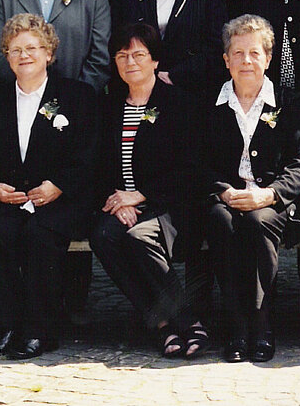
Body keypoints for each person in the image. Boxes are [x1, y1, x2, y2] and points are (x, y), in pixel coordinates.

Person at [0, 14, 97, 359]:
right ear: (6, 57)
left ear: (49, 53)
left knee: (39, 236)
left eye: (32, 48)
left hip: (62, 199)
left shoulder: (77, 96)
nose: (23, 55)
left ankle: (40, 330)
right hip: (12, 198)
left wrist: (58, 185)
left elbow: (90, 154)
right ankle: (10, 323)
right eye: (15, 50)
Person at [194, 14, 300, 363]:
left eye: (255, 53)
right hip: (225, 198)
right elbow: (197, 162)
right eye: (238, 53)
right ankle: (236, 326)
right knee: (221, 221)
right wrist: (224, 191)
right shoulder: (208, 104)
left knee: (259, 222)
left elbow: (299, 165)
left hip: (270, 200)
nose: (246, 61)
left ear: (268, 59)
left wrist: (268, 194)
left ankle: (261, 324)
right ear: (226, 60)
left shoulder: (288, 103)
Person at [90, 22, 206, 358]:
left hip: (169, 204)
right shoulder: (109, 107)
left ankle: (184, 321)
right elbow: (97, 165)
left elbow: (190, 168)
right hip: (122, 204)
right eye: (122, 56)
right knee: (103, 236)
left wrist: (141, 195)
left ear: (155, 60)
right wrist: (119, 200)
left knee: (139, 237)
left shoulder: (179, 103)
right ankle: (163, 323)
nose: (130, 62)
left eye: (139, 55)